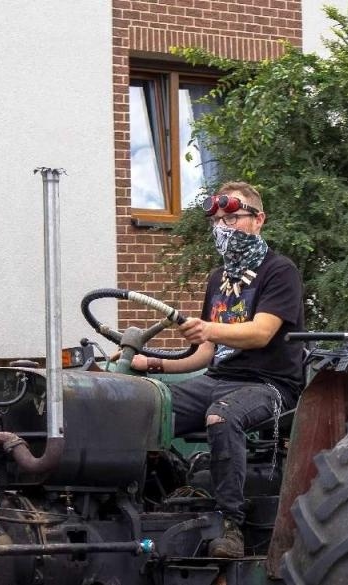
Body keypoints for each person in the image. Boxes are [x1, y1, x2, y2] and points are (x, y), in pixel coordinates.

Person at [129, 181, 305, 558]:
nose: (224, 227)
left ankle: (230, 523)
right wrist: (154, 364)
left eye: (234, 218)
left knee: (221, 417)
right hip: (218, 380)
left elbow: (260, 333)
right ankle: (147, 504)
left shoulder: (280, 271)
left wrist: (208, 327)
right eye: (219, 221)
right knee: (144, 407)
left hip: (271, 385)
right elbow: (205, 355)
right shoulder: (218, 279)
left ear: (258, 220)